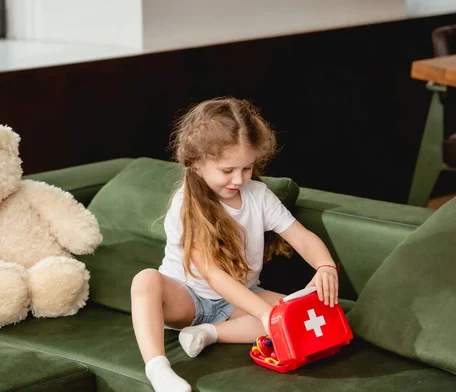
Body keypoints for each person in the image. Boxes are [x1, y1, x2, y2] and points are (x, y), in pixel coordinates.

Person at [130, 97, 339, 392]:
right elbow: (214, 276)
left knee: (293, 316)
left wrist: (325, 265)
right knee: (145, 281)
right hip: (187, 299)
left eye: (247, 168)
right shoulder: (185, 205)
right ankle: (158, 369)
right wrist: (264, 313)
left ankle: (209, 333)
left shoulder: (259, 196)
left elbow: (301, 236)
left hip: (238, 300)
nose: (239, 179)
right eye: (227, 170)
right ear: (197, 163)